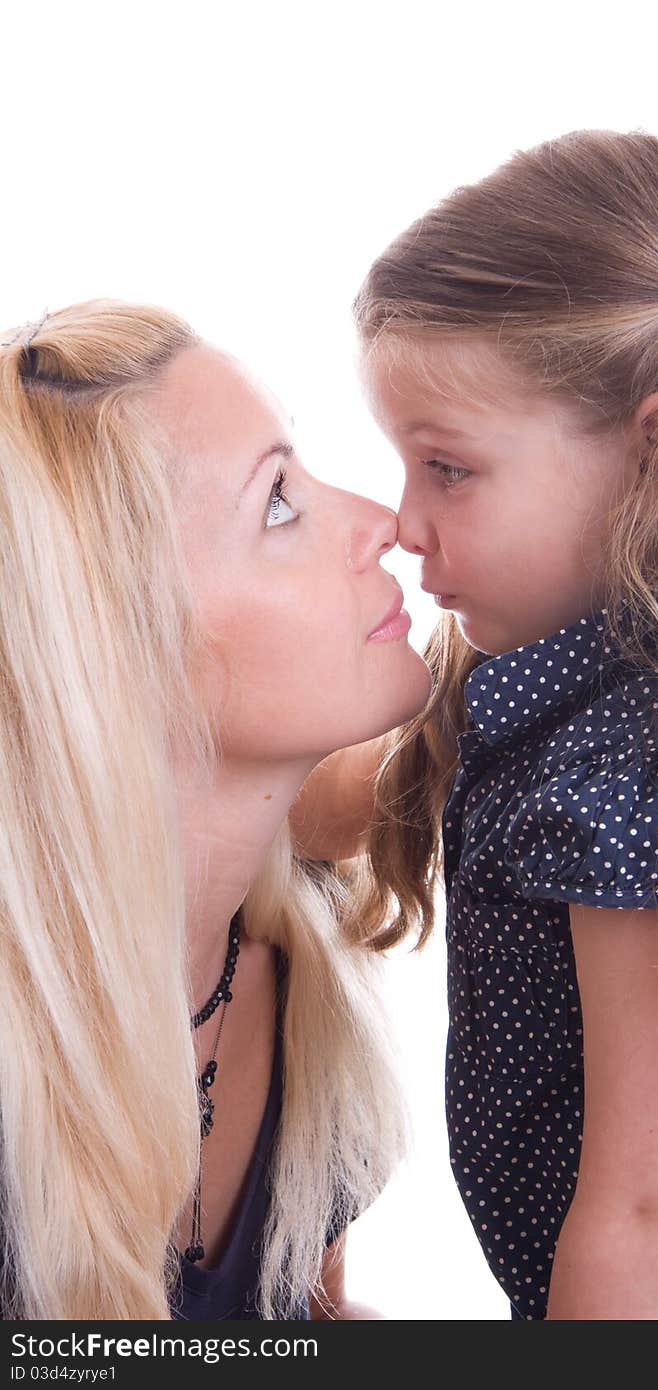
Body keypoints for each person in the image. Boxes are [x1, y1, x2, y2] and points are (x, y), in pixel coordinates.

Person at [291, 129, 658, 1318]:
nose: (404, 523)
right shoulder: (555, 681)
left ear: (653, 455)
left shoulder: (637, 779)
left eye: (447, 469)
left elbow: (651, 1213)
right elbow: (336, 800)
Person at [0, 299, 431, 1320]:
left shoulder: (293, 969)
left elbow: (306, 1324)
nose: (387, 522)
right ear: (114, 654)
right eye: (279, 502)